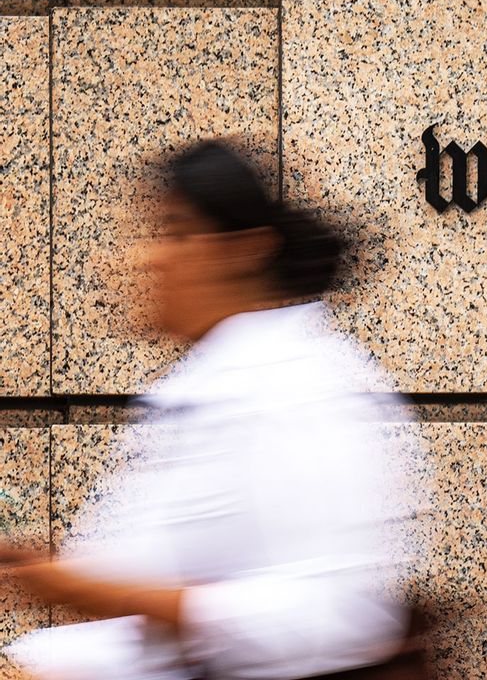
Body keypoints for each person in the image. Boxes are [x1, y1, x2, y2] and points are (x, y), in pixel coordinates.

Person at [0, 139, 430, 679]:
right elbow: (133, 615)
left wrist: (93, 591)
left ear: (243, 249)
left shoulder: (299, 386)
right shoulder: (198, 386)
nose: (146, 258)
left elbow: (341, 613)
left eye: (175, 232)